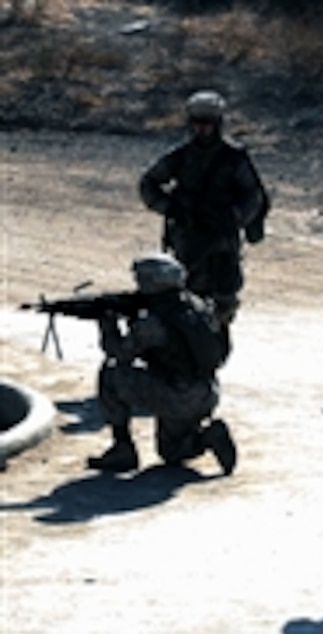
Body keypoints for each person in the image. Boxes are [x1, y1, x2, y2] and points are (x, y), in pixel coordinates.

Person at [88, 253, 236, 475]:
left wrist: (107, 325)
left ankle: (122, 448)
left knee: (111, 374)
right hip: (205, 391)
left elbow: (119, 352)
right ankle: (207, 436)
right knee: (171, 452)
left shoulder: (155, 321)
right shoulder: (196, 305)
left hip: (177, 395)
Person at [139, 90, 267, 326]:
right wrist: (172, 209)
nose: (202, 130)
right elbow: (148, 184)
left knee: (224, 297)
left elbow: (253, 195)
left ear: (217, 125)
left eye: (207, 125)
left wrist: (234, 217)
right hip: (188, 237)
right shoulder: (180, 156)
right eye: (197, 124)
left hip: (222, 240)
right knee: (185, 296)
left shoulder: (233, 158)